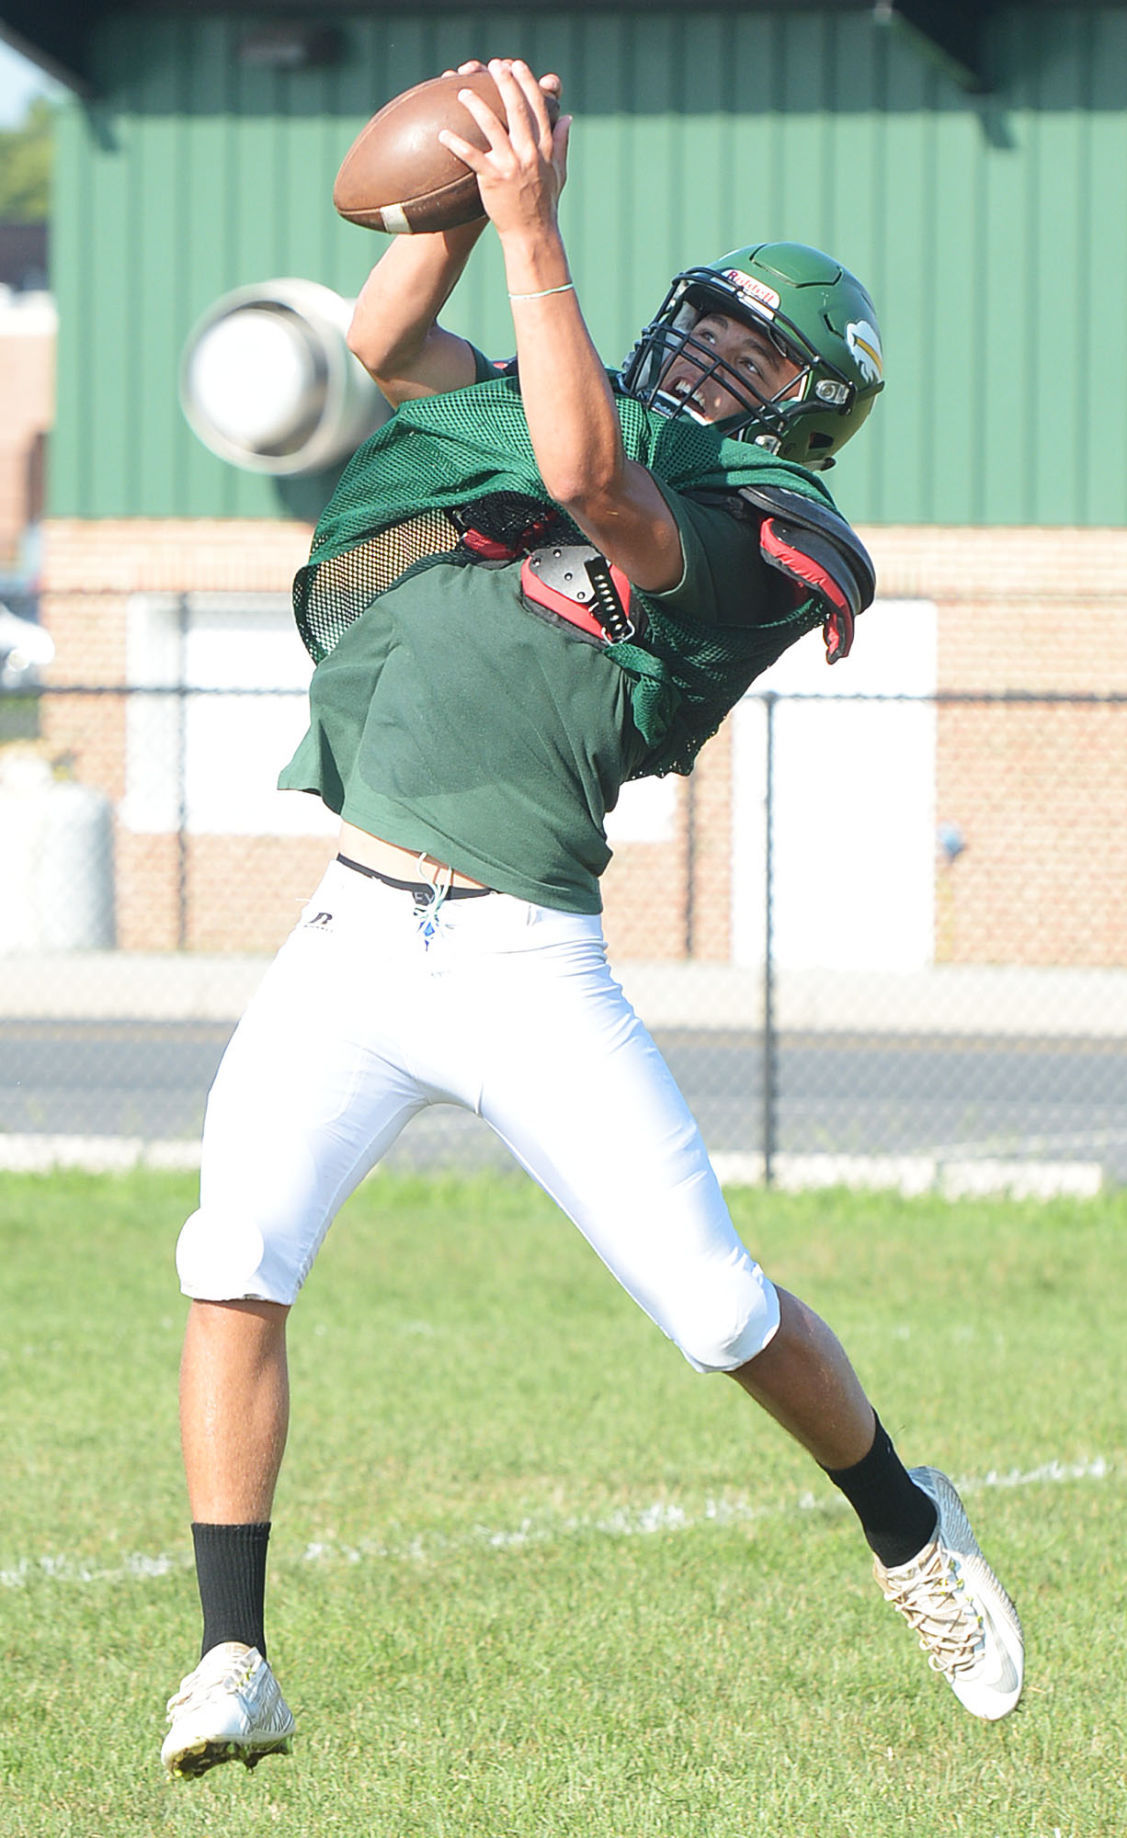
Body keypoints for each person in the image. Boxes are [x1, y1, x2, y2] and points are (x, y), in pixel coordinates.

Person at [161, 58, 1023, 1780]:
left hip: (520, 960)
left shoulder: (784, 528)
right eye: (707, 323)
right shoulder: (559, 381)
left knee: (715, 1311)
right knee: (229, 1260)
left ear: (808, 415)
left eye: (756, 359)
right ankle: (234, 1654)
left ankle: (904, 1518)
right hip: (350, 933)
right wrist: (449, 195)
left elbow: (598, 482)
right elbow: (393, 343)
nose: (709, 358)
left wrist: (532, 228)